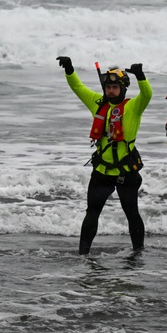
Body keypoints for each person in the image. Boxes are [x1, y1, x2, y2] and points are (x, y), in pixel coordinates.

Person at [56, 56, 151, 254]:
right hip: (102, 172)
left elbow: (147, 95)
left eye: (115, 87)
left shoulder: (133, 107)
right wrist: (70, 69)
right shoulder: (97, 103)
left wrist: (141, 76)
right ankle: (83, 255)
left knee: (132, 213)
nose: (111, 90)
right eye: (108, 87)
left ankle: (138, 253)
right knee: (92, 213)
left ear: (123, 88)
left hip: (126, 172)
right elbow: (78, 88)